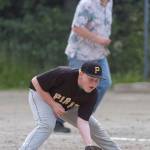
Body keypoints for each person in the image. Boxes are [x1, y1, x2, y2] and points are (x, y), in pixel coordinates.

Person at [19, 61, 121, 150]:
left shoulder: (92, 94)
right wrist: (53, 104)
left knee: (93, 126)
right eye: (91, 79)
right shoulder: (64, 73)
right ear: (81, 73)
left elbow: (83, 121)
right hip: (41, 94)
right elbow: (35, 81)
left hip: (66, 104)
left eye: (97, 80)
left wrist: (88, 145)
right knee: (46, 125)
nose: (94, 84)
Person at [55, 0, 113, 133]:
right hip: (80, 54)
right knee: (76, 88)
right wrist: (99, 40)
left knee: (104, 83)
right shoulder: (87, 4)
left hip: (98, 54)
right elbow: (77, 27)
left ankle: (83, 117)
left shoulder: (109, 3)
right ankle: (57, 120)